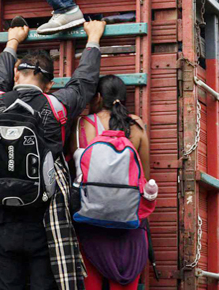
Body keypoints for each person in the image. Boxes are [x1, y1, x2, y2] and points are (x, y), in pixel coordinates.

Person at [0, 18, 106, 290]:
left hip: (1, 217)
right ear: (49, 85)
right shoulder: (57, 106)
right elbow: (84, 82)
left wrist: (13, 41)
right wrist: (93, 38)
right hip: (44, 218)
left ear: (16, 75)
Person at [69, 75, 154, 290]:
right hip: (129, 227)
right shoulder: (137, 125)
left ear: (97, 97)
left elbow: (76, 172)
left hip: (90, 225)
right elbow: (143, 176)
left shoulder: (82, 125)